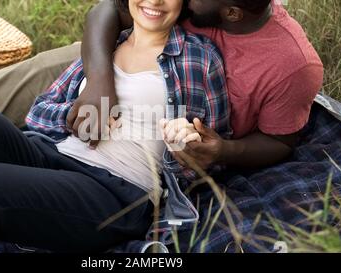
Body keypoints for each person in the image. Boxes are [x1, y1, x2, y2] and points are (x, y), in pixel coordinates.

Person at [0, 0, 230, 253]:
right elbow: (38, 113)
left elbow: (210, 155)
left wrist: (183, 146)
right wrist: (74, 116)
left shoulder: (198, 58)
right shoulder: (107, 45)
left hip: (117, 192)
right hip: (55, 155)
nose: (155, 1)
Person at [71, 0, 324, 170]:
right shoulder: (203, 4)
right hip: (107, 51)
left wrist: (224, 151)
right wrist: (98, 82)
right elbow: (108, 9)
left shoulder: (293, 66)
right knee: (33, 77)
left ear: (232, 13)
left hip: (139, 144)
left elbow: (280, 143)